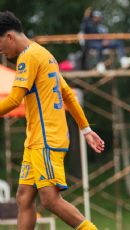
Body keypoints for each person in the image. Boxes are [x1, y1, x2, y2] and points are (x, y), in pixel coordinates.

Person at [0, 11, 105, 230]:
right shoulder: (44, 54)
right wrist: (85, 129)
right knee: (24, 197)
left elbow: (13, 100)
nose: (0, 51)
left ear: (9, 36)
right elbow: (67, 94)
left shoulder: (27, 58)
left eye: (0, 44)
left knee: (49, 199)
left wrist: (85, 129)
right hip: (36, 140)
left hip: (46, 139)